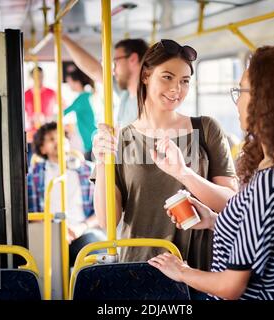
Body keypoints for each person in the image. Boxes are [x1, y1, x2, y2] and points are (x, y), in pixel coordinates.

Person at [147, 46, 274, 300]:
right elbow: (261, 230)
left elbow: (231, 286)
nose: (238, 100)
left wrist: (181, 271)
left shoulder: (269, 185)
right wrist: (213, 220)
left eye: (242, 90)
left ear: (265, 102)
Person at [91, 39, 239, 272]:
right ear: (145, 76)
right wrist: (101, 164)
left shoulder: (207, 129)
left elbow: (231, 203)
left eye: (184, 81)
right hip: (139, 267)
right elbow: (108, 221)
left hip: (198, 267)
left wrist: (185, 174)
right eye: (167, 77)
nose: (176, 89)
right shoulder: (120, 138)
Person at [27, 122, 105, 265]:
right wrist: (56, 231)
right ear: (42, 148)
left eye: (61, 136)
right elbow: (32, 212)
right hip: (48, 233)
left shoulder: (88, 170)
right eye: (51, 139)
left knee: (96, 254)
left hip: (83, 230)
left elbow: (103, 212)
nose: (58, 141)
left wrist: (81, 227)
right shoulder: (35, 176)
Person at [61, 34, 148, 127]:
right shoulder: (126, 93)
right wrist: (64, 38)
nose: (114, 69)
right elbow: (94, 70)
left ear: (133, 59)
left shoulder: (150, 101)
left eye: (116, 61)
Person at [24, 66, 57, 164]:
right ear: (31, 78)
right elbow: (23, 116)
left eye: (41, 76)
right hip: (31, 136)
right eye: (36, 77)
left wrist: (47, 119)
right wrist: (31, 120)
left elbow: (62, 113)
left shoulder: (52, 93)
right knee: (31, 164)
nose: (39, 79)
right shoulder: (25, 94)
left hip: (47, 134)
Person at [64, 68, 97, 161]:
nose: (68, 85)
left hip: (90, 142)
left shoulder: (81, 99)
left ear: (76, 82)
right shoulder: (88, 95)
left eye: (69, 82)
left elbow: (62, 113)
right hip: (93, 139)